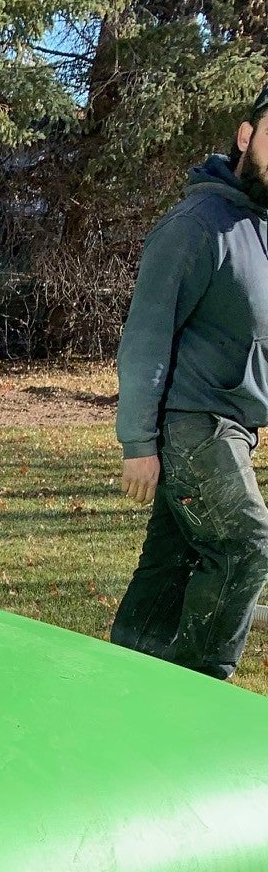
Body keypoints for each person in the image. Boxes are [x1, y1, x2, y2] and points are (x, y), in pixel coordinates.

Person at [110, 84, 268, 680]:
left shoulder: (259, 227)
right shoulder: (196, 225)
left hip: (233, 425)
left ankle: (126, 673)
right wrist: (140, 444)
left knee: (174, 558)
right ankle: (204, 691)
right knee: (244, 546)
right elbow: (146, 336)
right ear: (245, 136)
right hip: (194, 424)